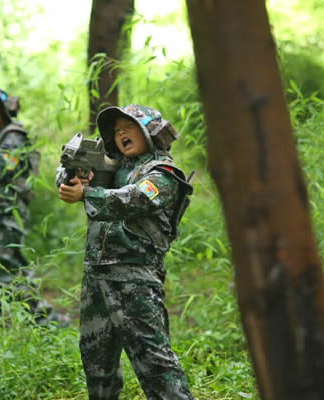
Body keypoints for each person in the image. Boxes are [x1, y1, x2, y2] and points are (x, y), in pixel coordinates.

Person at [57, 104, 195, 399]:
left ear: (151, 132)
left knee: (155, 363)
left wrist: (87, 193)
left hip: (134, 278)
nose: (121, 133)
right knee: (96, 364)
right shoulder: (112, 169)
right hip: (96, 276)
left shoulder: (164, 174)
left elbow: (134, 199)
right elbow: (70, 176)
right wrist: (72, 177)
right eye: (117, 130)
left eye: (129, 127)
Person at [0, 82, 56, 332]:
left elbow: (9, 166)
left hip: (6, 217)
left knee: (9, 274)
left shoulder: (14, 135)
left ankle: (48, 326)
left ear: (2, 111)